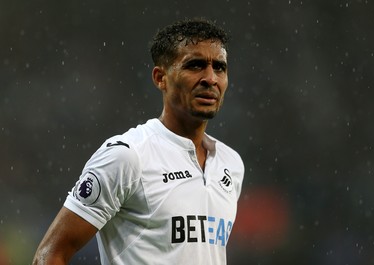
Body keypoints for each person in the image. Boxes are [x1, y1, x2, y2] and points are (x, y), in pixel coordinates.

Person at [32, 18, 245, 265]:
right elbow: (49, 255)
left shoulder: (231, 164)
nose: (210, 78)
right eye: (195, 65)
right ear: (160, 77)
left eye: (219, 67)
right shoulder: (128, 156)